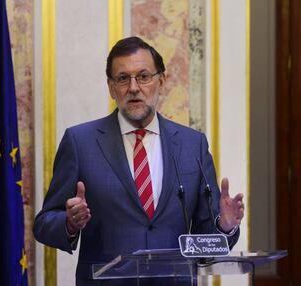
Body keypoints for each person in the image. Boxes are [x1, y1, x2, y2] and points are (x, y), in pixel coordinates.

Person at [33, 36, 245, 286]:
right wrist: (69, 223)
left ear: (161, 81)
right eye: (123, 78)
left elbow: (205, 238)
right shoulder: (80, 142)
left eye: (143, 76)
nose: (134, 87)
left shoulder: (192, 144)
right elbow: (44, 224)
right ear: (112, 88)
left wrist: (225, 226)